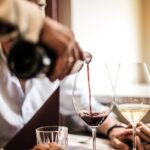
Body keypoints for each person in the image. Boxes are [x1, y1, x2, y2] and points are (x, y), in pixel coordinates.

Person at [0, 0, 147, 150]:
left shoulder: (53, 63)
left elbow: (85, 106)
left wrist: (115, 129)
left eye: (39, 7)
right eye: (22, 9)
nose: (29, 18)